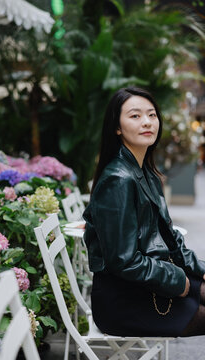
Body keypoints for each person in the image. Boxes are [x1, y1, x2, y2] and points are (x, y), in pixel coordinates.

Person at [83, 87, 205, 337]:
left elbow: (171, 237)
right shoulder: (117, 180)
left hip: (149, 282)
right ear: (117, 127)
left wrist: (200, 269)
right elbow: (123, 261)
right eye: (135, 116)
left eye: (151, 115)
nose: (147, 122)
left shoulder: (146, 172)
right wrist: (177, 280)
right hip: (125, 301)